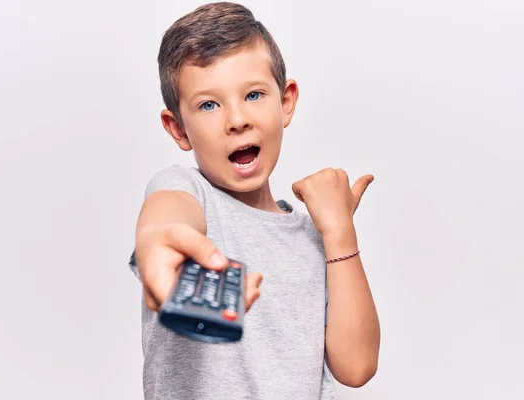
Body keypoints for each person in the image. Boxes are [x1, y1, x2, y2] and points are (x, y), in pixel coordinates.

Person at [129, 2, 380, 399]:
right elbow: (168, 217)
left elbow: (357, 365)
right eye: (209, 104)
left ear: (286, 101)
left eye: (254, 95)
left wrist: (338, 232)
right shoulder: (187, 191)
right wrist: (160, 243)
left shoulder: (313, 234)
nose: (237, 119)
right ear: (178, 128)